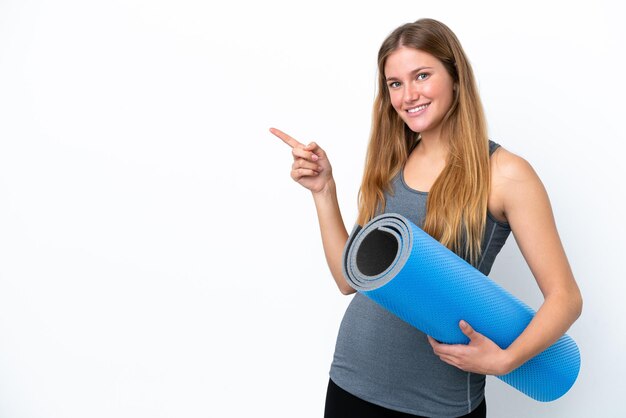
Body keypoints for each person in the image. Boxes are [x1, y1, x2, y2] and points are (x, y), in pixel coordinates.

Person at [270, 18, 582, 418]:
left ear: (455, 76)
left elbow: (566, 299)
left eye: (421, 75)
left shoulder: (505, 174)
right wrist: (324, 192)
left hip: (438, 402)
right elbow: (350, 280)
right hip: (350, 380)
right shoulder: (392, 160)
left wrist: (506, 360)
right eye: (395, 83)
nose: (408, 95)